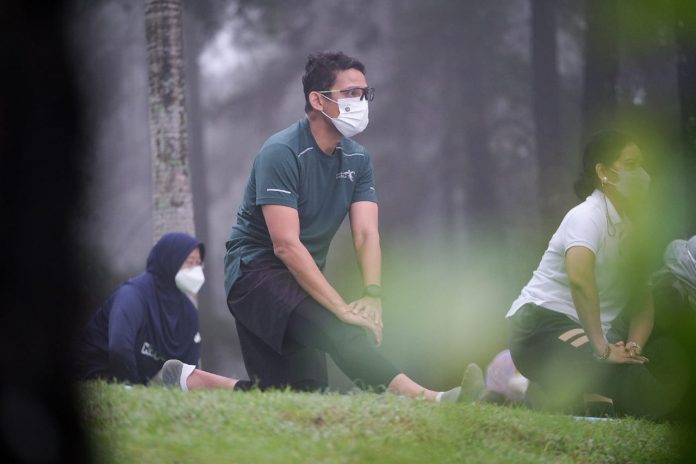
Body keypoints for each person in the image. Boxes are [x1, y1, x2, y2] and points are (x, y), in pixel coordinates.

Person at [223, 51, 483, 401]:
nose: (360, 101)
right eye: (349, 93)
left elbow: (365, 233)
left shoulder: (359, 158)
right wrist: (342, 307)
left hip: (300, 274)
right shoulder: (280, 151)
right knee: (342, 327)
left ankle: (188, 380)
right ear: (317, 100)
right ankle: (432, 400)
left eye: (364, 93)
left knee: (298, 396)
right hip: (255, 273)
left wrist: (372, 294)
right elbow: (284, 244)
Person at [506, 130, 676, 418]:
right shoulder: (586, 216)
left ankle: (558, 397)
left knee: (646, 375)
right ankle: (551, 396)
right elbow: (580, 280)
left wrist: (633, 347)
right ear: (603, 172)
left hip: (592, 339)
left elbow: (643, 303)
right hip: (538, 327)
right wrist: (602, 350)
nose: (643, 175)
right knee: (625, 381)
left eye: (642, 165)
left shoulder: (634, 232)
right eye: (632, 165)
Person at [76, 232, 244, 391]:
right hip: (99, 376)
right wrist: (133, 388)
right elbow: (119, 348)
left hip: (147, 383)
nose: (196, 270)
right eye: (189, 261)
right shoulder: (133, 295)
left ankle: (244, 388)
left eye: (198, 263)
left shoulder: (188, 312)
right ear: (169, 260)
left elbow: (186, 371)